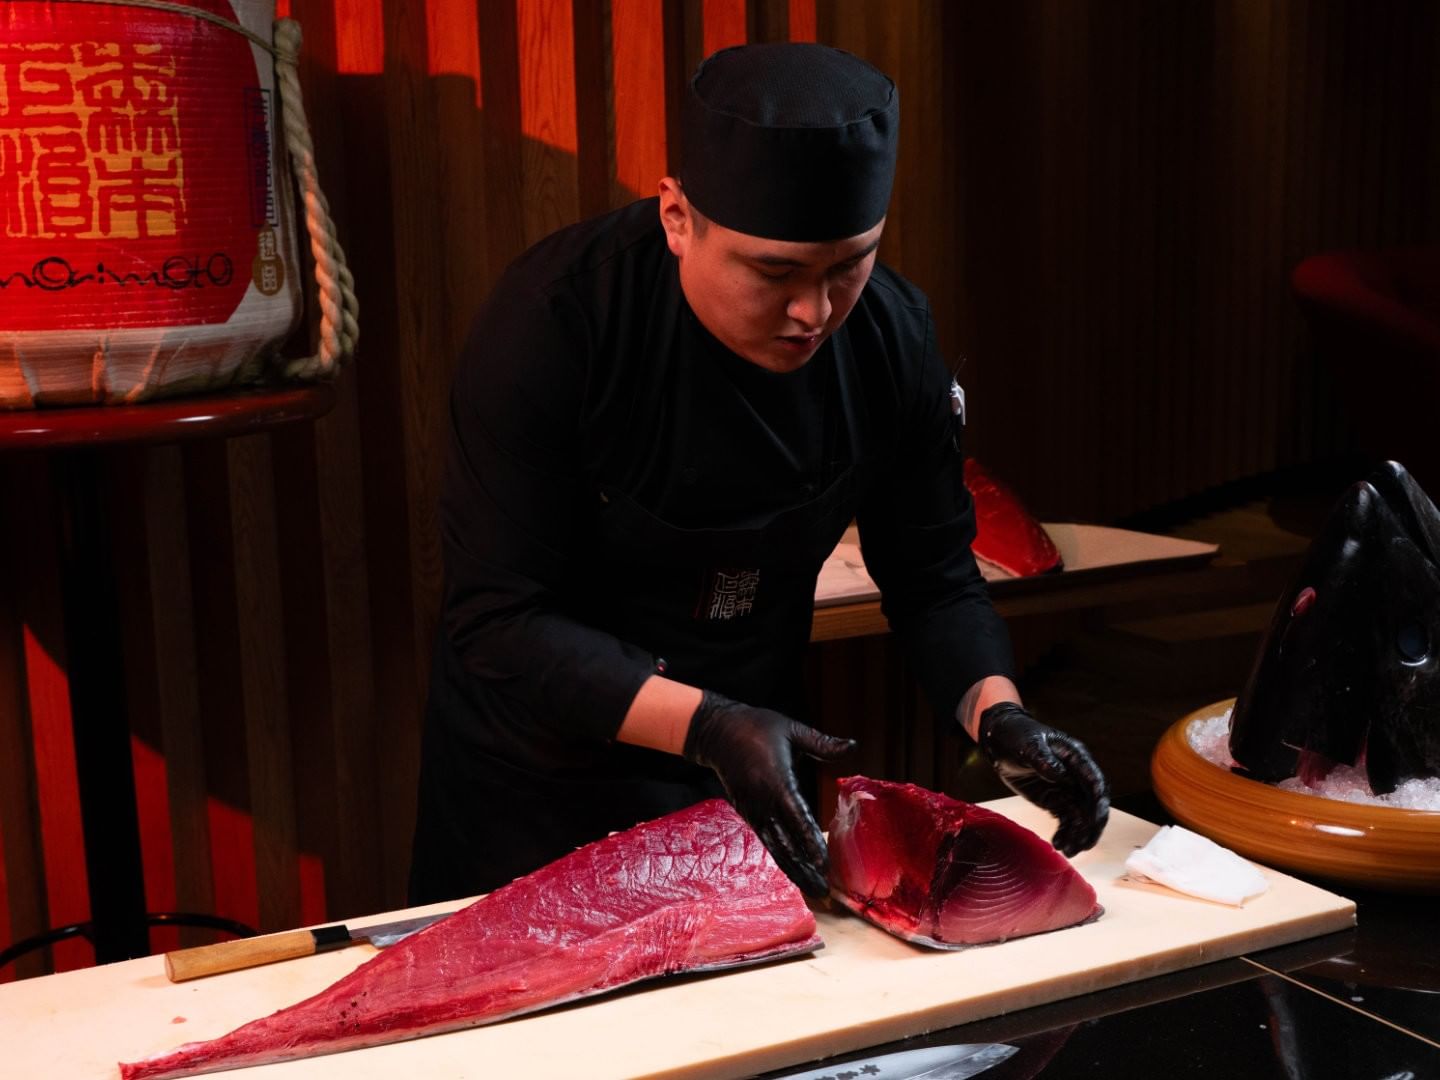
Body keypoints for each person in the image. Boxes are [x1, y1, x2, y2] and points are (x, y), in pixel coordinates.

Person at [409, 42, 1109, 905]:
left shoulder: (891, 338)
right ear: (677, 217)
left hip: (750, 760)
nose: (813, 312)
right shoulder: (557, 326)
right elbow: (500, 618)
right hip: (539, 775)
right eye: (774, 272)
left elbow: (932, 575)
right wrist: (706, 722)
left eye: (849, 263)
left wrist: (999, 714)